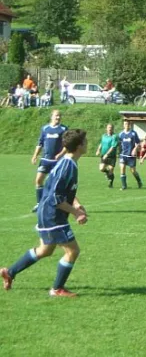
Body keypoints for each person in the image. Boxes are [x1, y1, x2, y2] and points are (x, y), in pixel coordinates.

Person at [1, 129, 89, 297]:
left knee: (45, 250)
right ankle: (57, 289)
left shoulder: (67, 162)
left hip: (47, 212)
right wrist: (76, 213)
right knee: (73, 251)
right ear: (79, 146)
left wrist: (76, 203)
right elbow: (56, 197)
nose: (87, 144)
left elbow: (62, 189)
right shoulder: (67, 166)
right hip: (52, 215)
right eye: (85, 141)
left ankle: (9, 272)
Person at [31, 110, 68, 212]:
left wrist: (60, 154)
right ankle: (39, 203)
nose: (58, 118)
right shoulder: (45, 128)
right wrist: (35, 156)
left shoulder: (63, 129)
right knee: (38, 181)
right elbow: (40, 143)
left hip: (57, 161)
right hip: (45, 160)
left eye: (60, 116)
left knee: (55, 184)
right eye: (56, 116)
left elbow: (67, 145)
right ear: (51, 117)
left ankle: (60, 203)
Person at [118, 120, 143, 190]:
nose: (126, 125)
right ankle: (124, 186)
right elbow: (119, 143)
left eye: (127, 124)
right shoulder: (120, 134)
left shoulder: (133, 133)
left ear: (130, 125)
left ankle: (139, 181)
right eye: (125, 124)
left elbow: (138, 143)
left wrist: (135, 149)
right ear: (123, 125)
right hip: (123, 155)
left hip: (131, 155)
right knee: (122, 168)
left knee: (133, 171)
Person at [95, 124, 119, 188]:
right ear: (106, 128)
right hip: (103, 155)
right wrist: (98, 150)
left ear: (113, 129)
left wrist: (107, 154)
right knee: (101, 169)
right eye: (108, 127)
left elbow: (113, 146)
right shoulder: (104, 136)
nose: (110, 129)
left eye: (111, 127)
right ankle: (107, 172)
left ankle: (111, 183)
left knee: (111, 170)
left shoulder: (115, 136)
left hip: (111, 156)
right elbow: (101, 143)